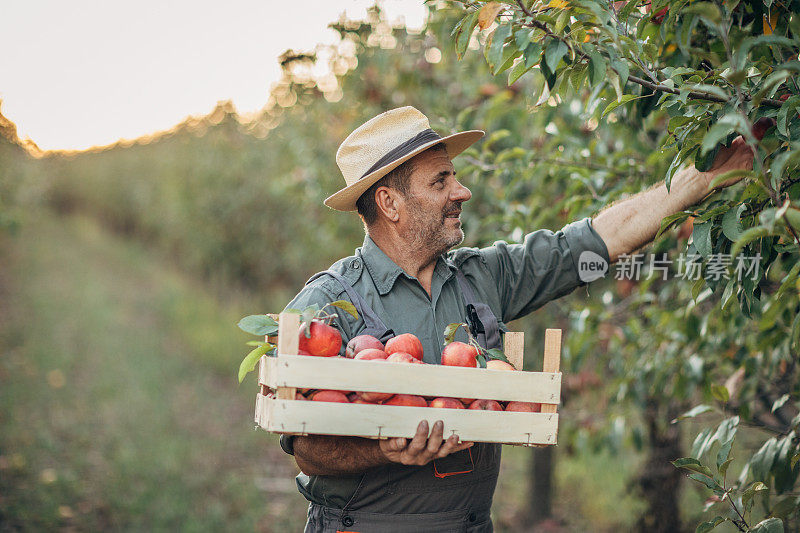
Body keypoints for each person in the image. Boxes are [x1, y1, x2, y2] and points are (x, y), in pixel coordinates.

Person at [279, 106, 754, 532]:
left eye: (454, 177)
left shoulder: (482, 277)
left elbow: (590, 243)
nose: (461, 191)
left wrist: (701, 179)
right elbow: (307, 448)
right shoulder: (327, 304)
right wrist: (380, 448)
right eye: (440, 181)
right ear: (389, 203)